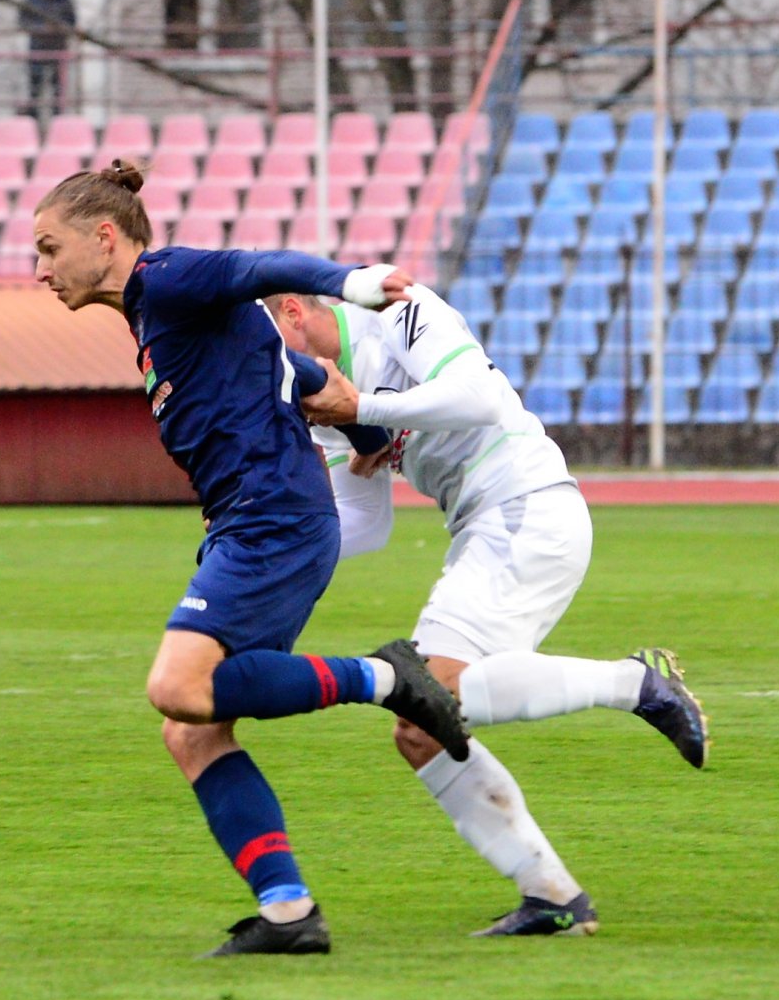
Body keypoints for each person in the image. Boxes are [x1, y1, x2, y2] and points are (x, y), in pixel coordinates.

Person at [31, 159, 473, 958]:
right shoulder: (155, 320)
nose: (40, 270)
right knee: (192, 731)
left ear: (104, 238)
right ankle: (288, 913)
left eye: (49, 248)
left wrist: (351, 281)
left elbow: (259, 270)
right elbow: (286, 370)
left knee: (176, 686)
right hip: (257, 524)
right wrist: (369, 435)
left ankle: (387, 677)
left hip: (272, 522)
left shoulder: (168, 280)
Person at [269, 286, 709, 936]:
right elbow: (361, 521)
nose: (268, 371)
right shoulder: (320, 397)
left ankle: (635, 683)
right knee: (419, 728)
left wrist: (366, 407)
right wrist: (268, 537)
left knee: (426, 694)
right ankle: (550, 894)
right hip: (485, 529)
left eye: (267, 349)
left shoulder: (398, 312)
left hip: (525, 507)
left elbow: (479, 396)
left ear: (292, 311)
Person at [17, 0, 76, 120]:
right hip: (37, 48)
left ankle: (58, 119)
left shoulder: (63, 0)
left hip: (58, 49)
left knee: (58, 88)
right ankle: (33, 119)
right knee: (35, 86)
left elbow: (71, 23)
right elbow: (23, 23)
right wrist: (41, 29)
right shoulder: (31, 0)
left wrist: (57, 29)